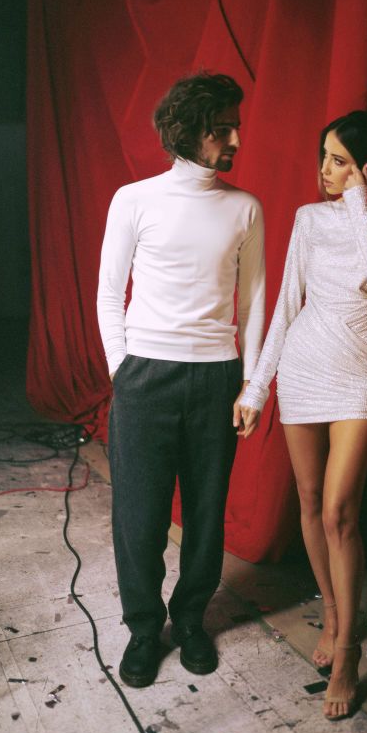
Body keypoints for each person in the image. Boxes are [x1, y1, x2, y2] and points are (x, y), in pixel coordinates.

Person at [238, 87, 367, 720]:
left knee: (341, 510)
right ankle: (331, 607)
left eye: (339, 161)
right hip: (303, 366)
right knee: (311, 500)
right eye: (323, 156)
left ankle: (348, 651)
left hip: (359, 373)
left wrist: (357, 202)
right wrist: (256, 388)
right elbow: (287, 303)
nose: (324, 169)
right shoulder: (306, 218)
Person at [97, 71, 265, 688]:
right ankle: (144, 628)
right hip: (146, 375)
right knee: (138, 516)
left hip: (217, 377)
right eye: (222, 129)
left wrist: (252, 386)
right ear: (189, 131)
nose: (235, 140)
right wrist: (122, 369)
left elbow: (254, 303)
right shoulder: (134, 199)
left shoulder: (246, 207)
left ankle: (190, 619)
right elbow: (109, 292)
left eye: (235, 127)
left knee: (206, 512)